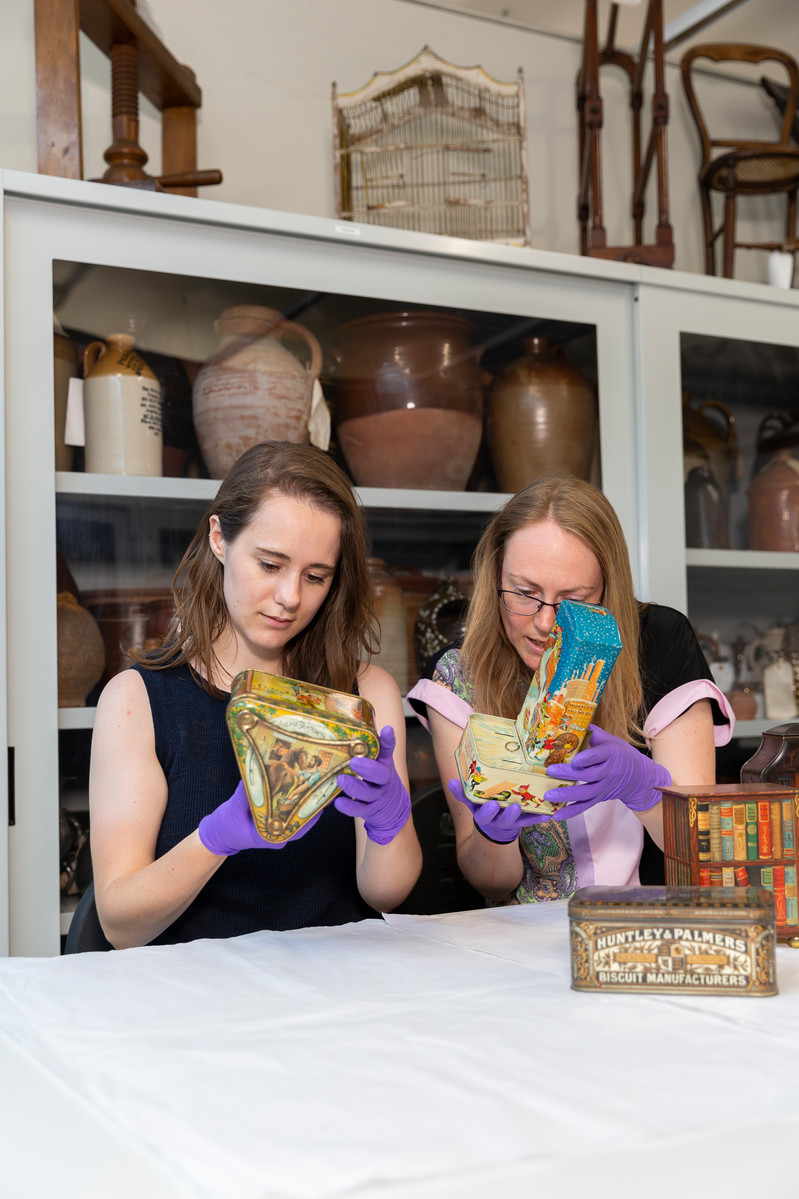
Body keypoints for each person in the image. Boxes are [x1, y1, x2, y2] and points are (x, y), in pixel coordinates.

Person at [89, 441, 422, 948]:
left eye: (316, 577)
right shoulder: (137, 702)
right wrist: (214, 839)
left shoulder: (364, 694)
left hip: (340, 987)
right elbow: (119, 924)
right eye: (270, 565)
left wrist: (387, 820)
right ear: (220, 538)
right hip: (197, 994)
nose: (291, 597)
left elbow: (385, 895)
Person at [407, 476, 733, 904]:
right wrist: (494, 835)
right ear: (494, 577)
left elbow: (700, 847)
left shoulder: (657, 641)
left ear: (607, 590)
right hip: (521, 937)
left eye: (574, 599)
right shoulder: (459, 676)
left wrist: (643, 786)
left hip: (646, 920)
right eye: (524, 593)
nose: (545, 623)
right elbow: (490, 882)